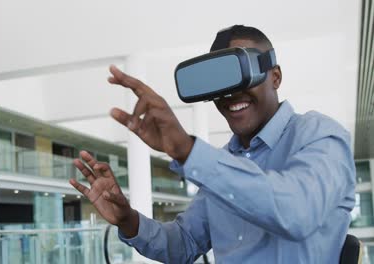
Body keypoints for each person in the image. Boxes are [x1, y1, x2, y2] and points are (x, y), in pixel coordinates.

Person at [69, 25, 356, 263]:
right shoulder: (224, 161)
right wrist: (128, 220)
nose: (231, 94)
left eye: (242, 75)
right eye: (220, 84)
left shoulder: (320, 135)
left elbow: (297, 213)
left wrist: (189, 151)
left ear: (275, 77)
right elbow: (183, 243)